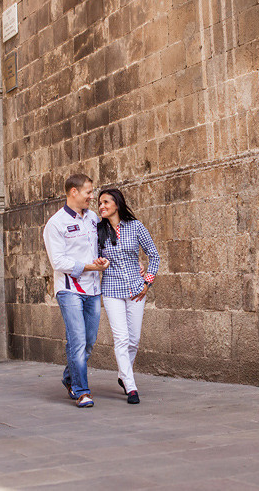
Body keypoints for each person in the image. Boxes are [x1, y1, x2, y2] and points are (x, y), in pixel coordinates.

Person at [43, 173, 109, 408]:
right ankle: (81, 391)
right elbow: (58, 262)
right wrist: (91, 266)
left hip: (93, 289)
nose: (92, 196)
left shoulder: (92, 218)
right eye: (88, 192)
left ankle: (69, 377)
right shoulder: (56, 223)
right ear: (74, 192)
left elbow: (103, 245)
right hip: (70, 290)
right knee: (77, 339)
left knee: (89, 340)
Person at [97, 188, 160, 404]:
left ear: (117, 204)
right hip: (112, 290)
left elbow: (154, 255)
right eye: (100, 203)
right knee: (121, 339)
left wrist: (147, 282)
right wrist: (99, 263)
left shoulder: (135, 226)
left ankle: (123, 375)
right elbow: (93, 257)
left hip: (136, 289)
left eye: (106, 202)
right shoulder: (98, 231)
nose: (102, 206)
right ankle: (131, 387)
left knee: (134, 340)